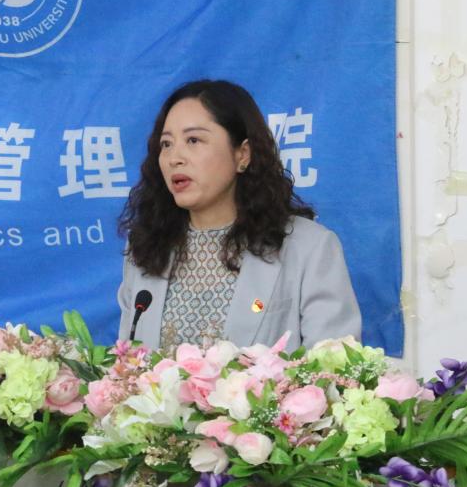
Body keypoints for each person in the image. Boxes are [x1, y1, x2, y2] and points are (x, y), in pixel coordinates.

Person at [117, 79, 361, 351]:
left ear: (243, 154)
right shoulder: (146, 248)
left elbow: (333, 367)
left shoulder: (309, 248)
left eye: (193, 140)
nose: (175, 158)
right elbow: (128, 360)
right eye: (166, 144)